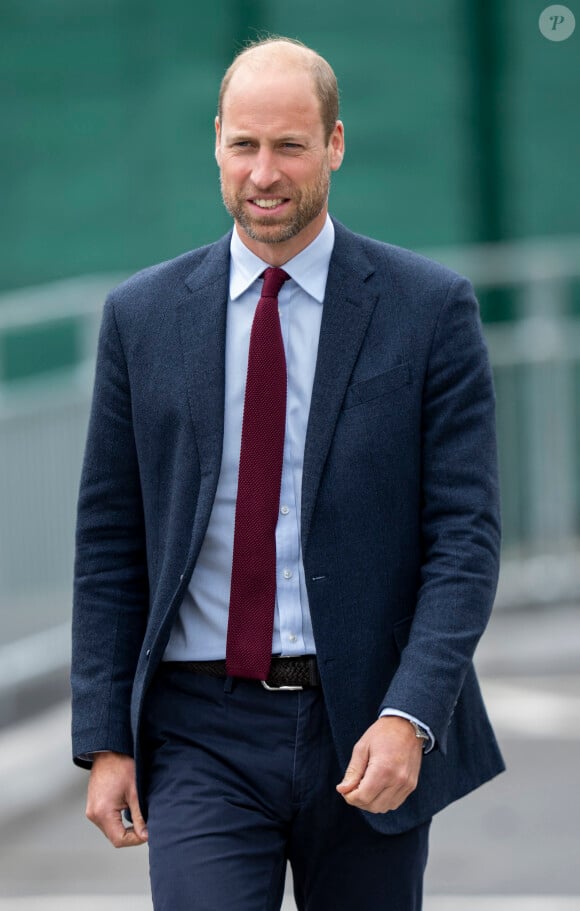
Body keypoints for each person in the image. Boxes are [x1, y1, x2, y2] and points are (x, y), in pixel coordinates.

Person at [71, 36, 504, 911]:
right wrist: (105, 738)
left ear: (335, 145)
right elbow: (110, 540)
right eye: (245, 145)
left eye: (290, 146)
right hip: (200, 729)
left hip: (367, 723)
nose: (264, 173)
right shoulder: (142, 319)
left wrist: (412, 714)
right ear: (218, 142)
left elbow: (464, 538)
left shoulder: (429, 310)